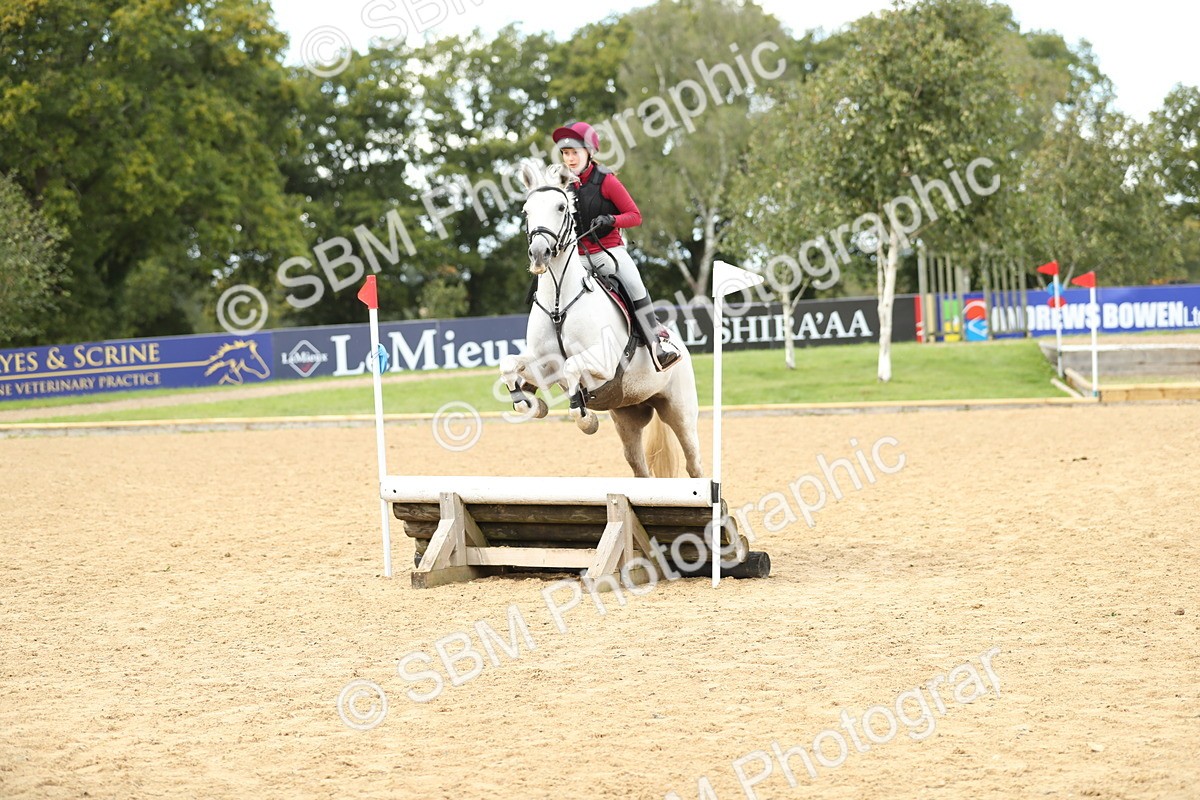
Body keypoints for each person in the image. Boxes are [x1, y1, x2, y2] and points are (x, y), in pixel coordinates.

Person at [551, 120, 681, 372]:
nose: (569, 159)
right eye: (565, 153)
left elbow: (635, 216)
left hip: (608, 253)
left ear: (589, 152)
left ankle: (657, 344)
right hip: (576, 257)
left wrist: (611, 219)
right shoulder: (562, 183)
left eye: (574, 152)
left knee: (634, 284)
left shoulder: (606, 181)